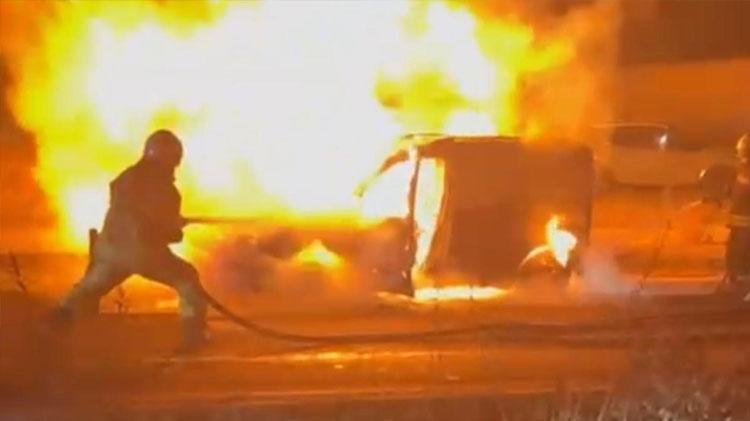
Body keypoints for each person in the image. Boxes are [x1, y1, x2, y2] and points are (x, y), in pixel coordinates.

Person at [46, 129, 208, 352]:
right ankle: (194, 336)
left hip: (109, 249)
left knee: (89, 290)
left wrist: (167, 223)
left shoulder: (125, 178)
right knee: (187, 279)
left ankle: (55, 321)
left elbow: (128, 209)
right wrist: (175, 228)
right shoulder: (167, 190)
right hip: (143, 253)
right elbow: (165, 234)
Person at [727, 133, 750, 292]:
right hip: (741, 223)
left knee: (738, 252)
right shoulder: (741, 171)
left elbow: (733, 192)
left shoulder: (741, 171)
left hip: (741, 224)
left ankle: (739, 280)